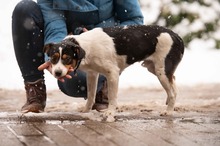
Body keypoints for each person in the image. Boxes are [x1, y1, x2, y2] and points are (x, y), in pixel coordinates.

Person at [12, 0, 144, 113]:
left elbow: (134, 21)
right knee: (24, 9)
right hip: (70, 47)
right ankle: (35, 90)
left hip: (103, 46)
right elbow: (54, 25)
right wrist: (56, 54)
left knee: (79, 83)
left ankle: (103, 86)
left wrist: (99, 36)